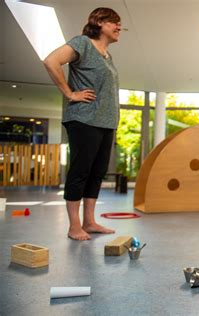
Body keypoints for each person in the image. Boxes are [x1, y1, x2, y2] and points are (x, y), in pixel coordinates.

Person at [43, 7, 122, 240]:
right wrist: (70, 94)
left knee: (97, 172)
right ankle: (74, 226)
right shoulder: (83, 43)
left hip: (106, 122)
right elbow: (51, 61)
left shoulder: (108, 55)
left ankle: (89, 222)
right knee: (80, 171)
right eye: (114, 23)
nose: (119, 27)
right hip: (83, 118)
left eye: (119, 24)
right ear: (99, 22)